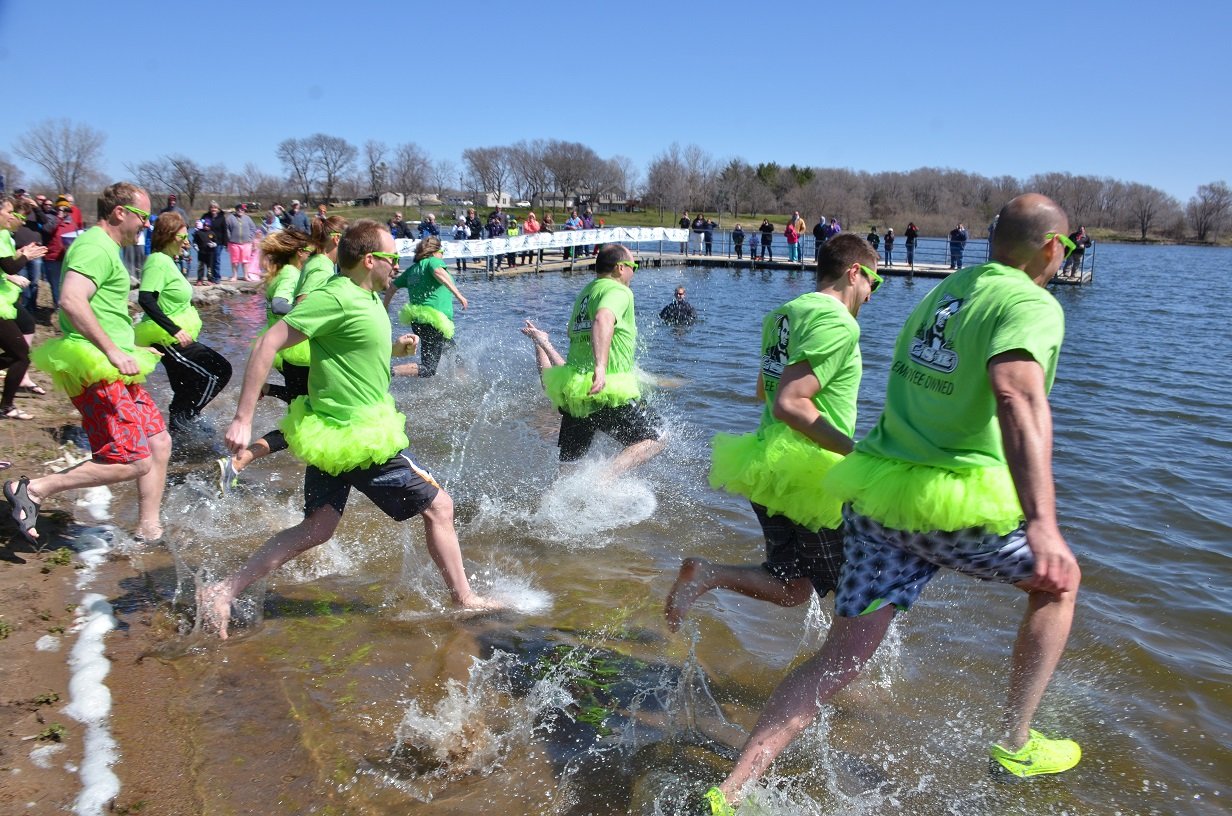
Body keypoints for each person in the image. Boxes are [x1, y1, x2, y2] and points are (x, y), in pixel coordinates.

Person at [704, 194, 1083, 812]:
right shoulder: (1031, 303)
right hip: (951, 501)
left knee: (837, 659)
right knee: (1059, 583)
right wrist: (1043, 525)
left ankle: (728, 792)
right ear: (1050, 248)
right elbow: (1018, 396)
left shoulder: (947, 292)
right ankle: (1015, 742)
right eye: (1066, 247)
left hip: (878, 498)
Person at [198, 220, 501, 639]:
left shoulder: (370, 297)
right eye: (393, 258)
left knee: (317, 528)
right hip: (359, 437)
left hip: (336, 437)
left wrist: (397, 347)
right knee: (440, 507)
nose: (398, 266)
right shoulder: (336, 296)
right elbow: (270, 342)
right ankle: (465, 600)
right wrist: (243, 417)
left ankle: (223, 590)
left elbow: (352, 344)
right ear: (370, 259)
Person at [665, 234, 880, 640]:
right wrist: (857, 455)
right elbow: (787, 403)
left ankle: (707, 574)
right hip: (812, 475)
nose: (871, 295)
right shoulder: (838, 322)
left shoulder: (785, 312)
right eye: (874, 281)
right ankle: (839, 681)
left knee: (794, 586)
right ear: (854, 272)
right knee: (860, 586)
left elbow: (763, 390)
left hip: (768, 465)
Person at [12, 183, 169, 544]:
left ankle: (148, 530)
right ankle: (34, 488)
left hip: (117, 366)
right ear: (120, 213)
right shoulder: (95, 247)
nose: (146, 225)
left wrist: (130, 346)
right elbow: (70, 300)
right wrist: (113, 351)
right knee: (132, 460)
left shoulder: (106, 248)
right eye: (143, 217)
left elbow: (100, 307)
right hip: (97, 366)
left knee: (159, 443)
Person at [520, 244, 665, 474]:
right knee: (657, 436)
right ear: (620, 268)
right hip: (606, 390)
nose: (634, 272)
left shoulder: (586, 292)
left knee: (569, 468)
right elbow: (602, 319)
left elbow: (573, 332)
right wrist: (600, 366)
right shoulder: (619, 291)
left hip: (574, 392)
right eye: (633, 266)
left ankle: (561, 505)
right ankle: (605, 479)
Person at [215, 229, 314, 491]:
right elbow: (280, 305)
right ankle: (239, 461)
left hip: (288, 354)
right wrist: (316, 317)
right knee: (302, 424)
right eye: (311, 252)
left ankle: (267, 391)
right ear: (300, 252)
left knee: (302, 407)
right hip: (298, 354)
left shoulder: (283, 273)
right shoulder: (291, 274)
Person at [134, 212, 233, 432]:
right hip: (167, 337)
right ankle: (187, 419)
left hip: (175, 335)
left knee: (186, 385)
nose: (187, 241)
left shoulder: (168, 261)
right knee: (219, 370)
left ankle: (178, 434)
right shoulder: (158, 261)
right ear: (168, 236)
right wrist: (174, 329)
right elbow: (146, 298)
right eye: (182, 237)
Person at [383, 235, 467, 378]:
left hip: (419, 322)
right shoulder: (432, 262)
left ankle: (462, 384)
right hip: (434, 322)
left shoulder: (412, 270)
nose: (442, 256)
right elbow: (438, 272)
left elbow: (391, 288)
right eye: (443, 252)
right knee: (428, 369)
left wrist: (383, 310)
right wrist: (459, 295)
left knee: (453, 352)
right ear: (435, 251)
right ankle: (387, 371)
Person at [0, 198, 47, 420]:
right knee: (22, 357)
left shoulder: (4, 235)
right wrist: (25, 257)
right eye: (10, 213)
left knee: (20, 348)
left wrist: (21, 253)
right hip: (1, 304)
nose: (13, 218)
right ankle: (6, 407)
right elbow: (7, 266)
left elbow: (5, 265)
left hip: (6, 301)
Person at [225, 205, 257, 282]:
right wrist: (229, 238)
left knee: (246, 261)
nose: (240, 211)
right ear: (236, 209)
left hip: (247, 243)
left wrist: (250, 237)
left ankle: (246, 276)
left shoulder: (248, 218)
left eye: (242, 209)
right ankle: (234, 276)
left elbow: (253, 228)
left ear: (244, 210)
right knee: (235, 261)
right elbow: (226, 229)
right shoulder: (230, 218)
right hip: (233, 243)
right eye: (239, 209)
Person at [200, 201, 229, 283]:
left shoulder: (221, 217)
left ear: (218, 209)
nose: (213, 209)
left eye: (215, 208)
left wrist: (226, 243)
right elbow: (200, 227)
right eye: (212, 207)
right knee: (209, 260)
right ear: (209, 208)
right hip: (207, 242)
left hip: (218, 242)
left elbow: (225, 231)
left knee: (216, 259)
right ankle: (210, 277)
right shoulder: (205, 216)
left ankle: (217, 277)